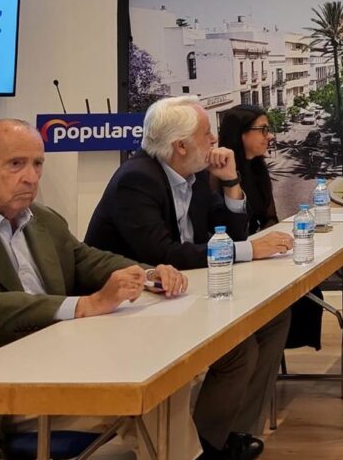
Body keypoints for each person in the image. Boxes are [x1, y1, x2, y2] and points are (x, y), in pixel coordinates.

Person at [0, 119, 187, 442]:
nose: (31, 177)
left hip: (59, 365)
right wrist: (84, 305)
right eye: (16, 164)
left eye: (38, 164)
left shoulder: (42, 218)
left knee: (168, 383)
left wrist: (147, 274)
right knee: (155, 398)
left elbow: (86, 260)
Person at [85, 97, 293, 460]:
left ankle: (233, 432)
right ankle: (207, 447)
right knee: (238, 348)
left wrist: (230, 182)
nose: (214, 141)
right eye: (206, 134)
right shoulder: (136, 180)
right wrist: (250, 250)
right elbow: (164, 253)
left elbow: (226, 233)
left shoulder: (193, 176)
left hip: (180, 290)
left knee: (274, 318)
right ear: (180, 146)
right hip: (131, 305)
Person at [215, 104, 323, 352]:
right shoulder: (216, 176)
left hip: (260, 257)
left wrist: (277, 241)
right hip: (234, 261)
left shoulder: (257, 168)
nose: (270, 136)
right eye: (262, 130)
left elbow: (268, 217)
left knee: (306, 287)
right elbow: (231, 232)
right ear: (240, 134)